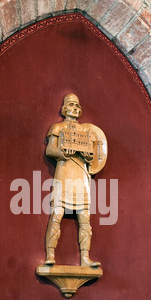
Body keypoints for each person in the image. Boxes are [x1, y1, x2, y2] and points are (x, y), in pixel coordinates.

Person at [44, 93, 101, 268]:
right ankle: (50, 254)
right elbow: (50, 150)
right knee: (57, 214)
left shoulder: (87, 132)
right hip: (64, 172)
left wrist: (87, 155)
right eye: (71, 105)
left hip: (81, 174)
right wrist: (62, 153)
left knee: (84, 217)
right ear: (64, 109)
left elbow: (94, 155)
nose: (74, 109)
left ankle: (85, 258)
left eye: (77, 106)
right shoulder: (57, 128)